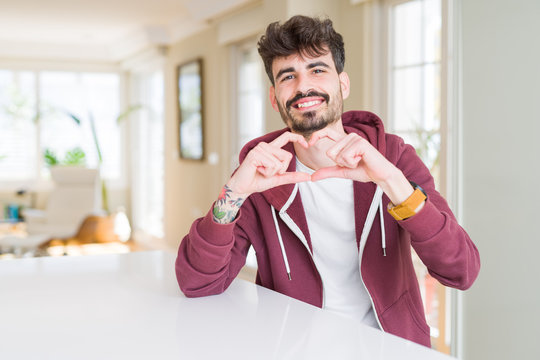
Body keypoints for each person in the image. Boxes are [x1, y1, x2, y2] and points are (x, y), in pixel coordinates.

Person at [175, 15, 480, 347]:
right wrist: (232, 194)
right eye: (288, 76)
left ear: (342, 84)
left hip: (389, 347)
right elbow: (197, 283)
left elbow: (461, 270)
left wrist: (392, 182)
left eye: (317, 70)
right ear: (275, 97)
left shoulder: (393, 157)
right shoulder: (259, 177)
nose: (304, 86)